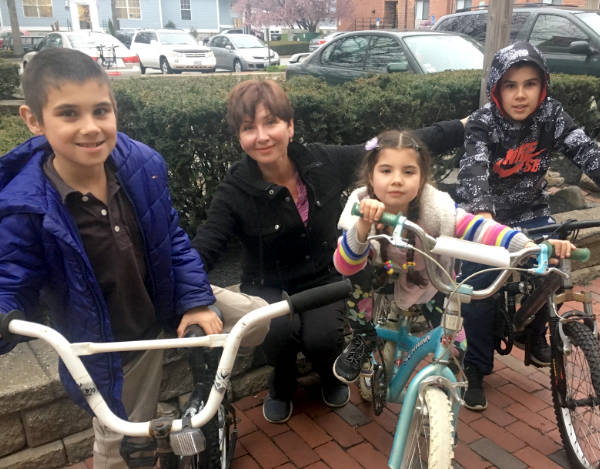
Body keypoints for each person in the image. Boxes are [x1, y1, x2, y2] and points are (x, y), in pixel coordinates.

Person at [0, 48, 268, 469]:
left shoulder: (142, 164)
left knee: (258, 319)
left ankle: (204, 368)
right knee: (120, 450)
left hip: (166, 297)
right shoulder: (26, 206)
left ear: (114, 110)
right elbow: (10, 279)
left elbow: (173, 239)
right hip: (116, 345)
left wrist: (195, 300)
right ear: (34, 121)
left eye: (101, 111)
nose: (90, 128)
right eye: (69, 114)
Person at [192, 79, 468, 423]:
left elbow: (384, 147)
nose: (262, 136)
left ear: (290, 126)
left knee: (323, 338)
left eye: (271, 123)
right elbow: (207, 243)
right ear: (240, 137)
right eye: (249, 128)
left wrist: (460, 127)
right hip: (268, 286)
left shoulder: (320, 160)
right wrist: (188, 294)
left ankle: (326, 371)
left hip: (323, 279)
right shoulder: (234, 189)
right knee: (278, 335)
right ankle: (282, 379)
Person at [330, 129, 573, 385]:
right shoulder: (360, 207)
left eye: (409, 171)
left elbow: (481, 229)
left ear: (422, 177)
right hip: (381, 276)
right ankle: (362, 336)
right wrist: (362, 226)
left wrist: (531, 245)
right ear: (371, 175)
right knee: (356, 276)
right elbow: (345, 265)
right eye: (386, 170)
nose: (397, 180)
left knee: (456, 351)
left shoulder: (438, 209)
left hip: (429, 281)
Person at [455, 41, 599, 410]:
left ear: (543, 86)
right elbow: (473, 169)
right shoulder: (483, 122)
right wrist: (482, 215)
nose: (521, 95)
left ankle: (537, 332)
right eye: (510, 85)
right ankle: (475, 366)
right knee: (478, 289)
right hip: (489, 219)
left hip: (532, 212)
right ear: (496, 89)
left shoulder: (551, 115)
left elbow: (584, 150)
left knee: (552, 269)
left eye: (530, 84)